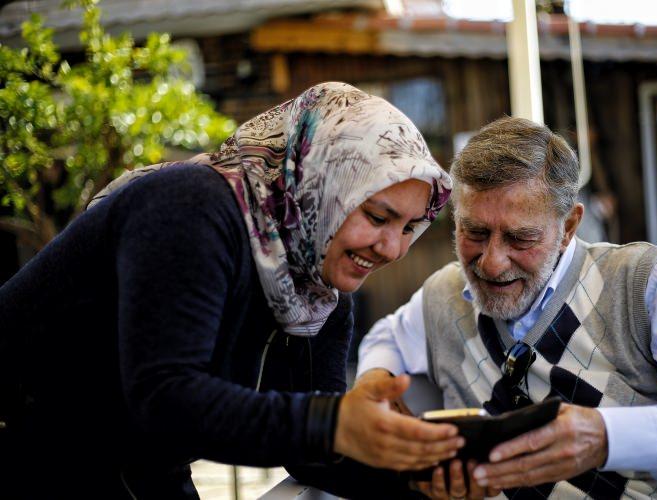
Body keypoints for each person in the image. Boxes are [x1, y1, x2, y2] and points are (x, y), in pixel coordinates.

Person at [0, 82, 463, 498]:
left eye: (409, 227)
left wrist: (423, 473)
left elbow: (314, 455)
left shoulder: (316, 299)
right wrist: (332, 423)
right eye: (378, 217)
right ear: (320, 183)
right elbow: (166, 397)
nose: (392, 249)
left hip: (140, 472)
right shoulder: (190, 210)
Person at [357, 116, 657, 499]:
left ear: (568, 227)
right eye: (474, 232)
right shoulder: (442, 295)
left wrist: (605, 437)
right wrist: (375, 381)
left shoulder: (643, 283)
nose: (492, 262)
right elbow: (387, 336)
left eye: (521, 238)